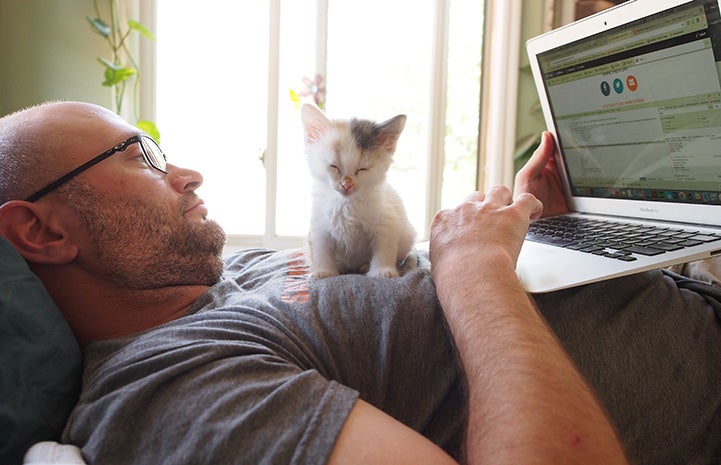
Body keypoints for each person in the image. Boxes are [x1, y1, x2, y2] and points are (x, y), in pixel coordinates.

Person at [0, 101, 719, 464]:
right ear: (44, 232)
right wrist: (474, 270)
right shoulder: (168, 388)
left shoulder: (228, 274)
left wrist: (538, 225)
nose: (185, 172)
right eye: (139, 157)